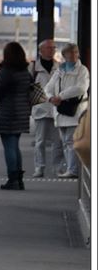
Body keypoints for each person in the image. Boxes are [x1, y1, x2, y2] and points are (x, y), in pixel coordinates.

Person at [0, 41, 33, 190]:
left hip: (8, 112)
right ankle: (18, 179)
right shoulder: (25, 72)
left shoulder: (7, 71)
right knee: (14, 145)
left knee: (9, 147)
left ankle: (13, 180)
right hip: (22, 112)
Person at [45, 42, 89, 180]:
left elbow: (81, 88)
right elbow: (48, 88)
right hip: (61, 111)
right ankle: (71, 168)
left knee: (71, 142)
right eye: (71, 52)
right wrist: (51, 97)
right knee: (65, 142)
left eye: (76, 52)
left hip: (75, 111)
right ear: (64, 55)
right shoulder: (59, 71)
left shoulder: (82, 70)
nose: (74, 55)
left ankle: (73, 170)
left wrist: (61, 96)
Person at [29, 38, 65, 178]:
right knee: (40, 141)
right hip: (40, 107)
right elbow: (28, 87)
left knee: (58, 141)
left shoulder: (60, 67)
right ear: (41, 50)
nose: (52, 50)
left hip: (57, 108)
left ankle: (57, 168)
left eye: (54, 48)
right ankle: (39, 167)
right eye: (49, 48)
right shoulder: (33, 68)